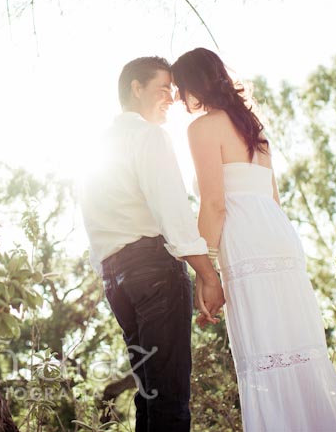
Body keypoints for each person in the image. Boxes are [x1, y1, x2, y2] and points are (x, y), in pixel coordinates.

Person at [171, 47, 336, 431]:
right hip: (278, 233)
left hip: (244, 238)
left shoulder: (203, 127)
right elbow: (273, 198)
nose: (177, 98)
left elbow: (215, 204)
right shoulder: (254, 126)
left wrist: (206, 271)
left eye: (179, 87)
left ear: (194, 84)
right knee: (298, 345)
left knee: (264, 350)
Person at [79, 56, 224, 432]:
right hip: (155, 271)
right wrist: (207, 273)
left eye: (174, 93)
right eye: (163, 90)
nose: (172, 100)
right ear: (135, 88)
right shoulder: (147, 136)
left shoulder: (96, 144)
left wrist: (108, 273)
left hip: (116, 281)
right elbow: (174, 214)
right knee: (170, 400)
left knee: (151, 396)